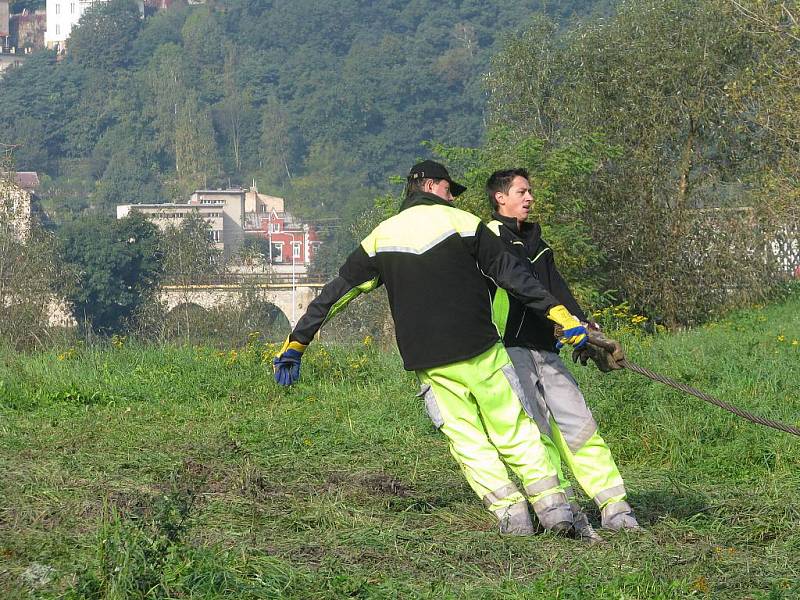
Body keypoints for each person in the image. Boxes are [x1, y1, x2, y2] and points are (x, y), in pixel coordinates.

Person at [273, 160, 592, 536]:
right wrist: (562, 314)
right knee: (514, 428)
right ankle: (555, 511)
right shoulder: (464, 224)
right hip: (481, 349)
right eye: (449, 189)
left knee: (467, 440)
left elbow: (336, 294)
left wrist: (297, 342)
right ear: (429, 185)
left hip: (429, 360)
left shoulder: (380, 237)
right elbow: (515, 277)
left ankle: (513, 518)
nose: (453, 196)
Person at [484, 168, 640, 539]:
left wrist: (587, 330)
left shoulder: (538, 243)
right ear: (499, 198)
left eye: (530, 191)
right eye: (522, 191)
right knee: (535, 431)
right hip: (508, 348)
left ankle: (615, 507)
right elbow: (517, 286)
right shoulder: (488, 238)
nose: (529, 198)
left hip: (545, 347)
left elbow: (558, 290)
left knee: (579, 424)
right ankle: (561, 512)